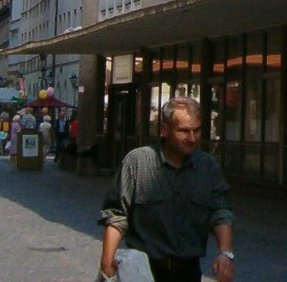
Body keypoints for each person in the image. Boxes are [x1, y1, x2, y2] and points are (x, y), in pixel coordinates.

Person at [98, 97, 234, 282]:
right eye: (184, 131)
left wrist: (224, 252)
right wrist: (106, 263)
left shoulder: (207, 167)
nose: (192, 138)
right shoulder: (137, 163)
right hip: (143, 271)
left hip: (188, 272)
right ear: (164, 130)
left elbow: (221, 210)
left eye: (197, 130)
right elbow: (117, 214)